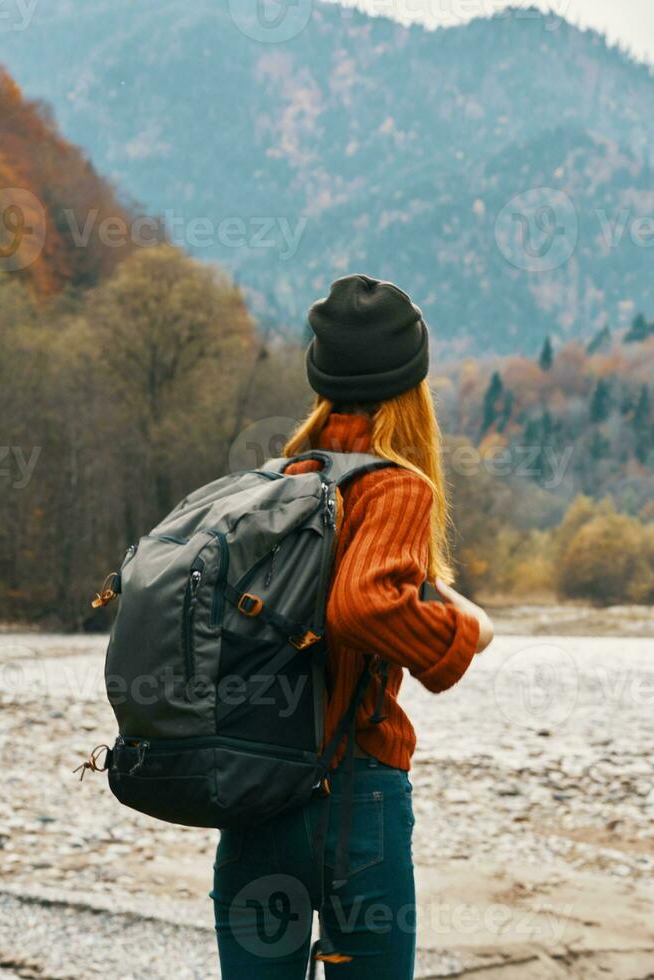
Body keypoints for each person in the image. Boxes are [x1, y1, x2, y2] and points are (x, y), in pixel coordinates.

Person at [210, 275, 494, 978]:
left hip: (252, 789)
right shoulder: (394, 484)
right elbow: (362, 604)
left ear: (322, 379)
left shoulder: (274, 482)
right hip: (354, 798)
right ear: (412, 385)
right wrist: (468, 631)